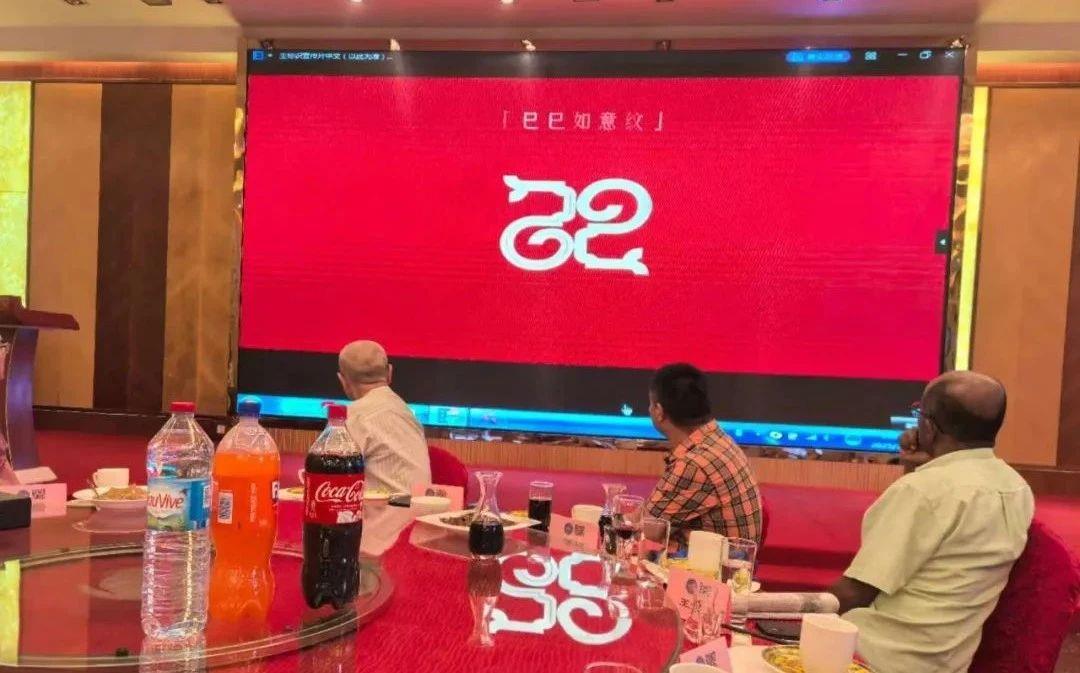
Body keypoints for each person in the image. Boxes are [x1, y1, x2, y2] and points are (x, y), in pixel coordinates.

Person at [828, 370, 1034, 673]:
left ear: (928, 426)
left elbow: (854, 593)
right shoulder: (1017, 488)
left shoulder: (923, 492)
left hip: (873, 656)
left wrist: (786, 618)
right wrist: (920, 467)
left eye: (920, 414)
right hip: (944, 663)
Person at [645, 363, 762, 548]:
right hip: (726, 560)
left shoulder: (693, 464)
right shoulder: (718, 439)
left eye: (651, 404)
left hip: (711, 565)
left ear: (659, 412)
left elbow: (648, 529)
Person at [338, 340, 431, 495]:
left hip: (381, 509)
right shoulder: (408, 414)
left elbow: (333, 481)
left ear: (343, 381)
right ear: (389, 373)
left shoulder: (349, 418)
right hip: (421, 507)